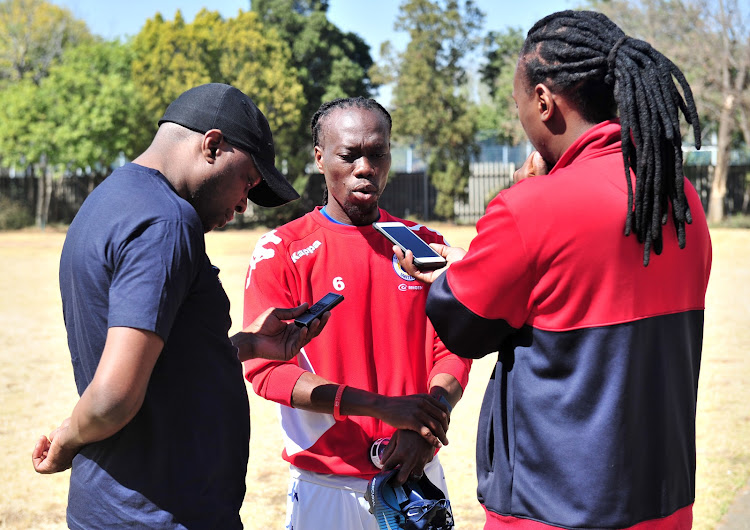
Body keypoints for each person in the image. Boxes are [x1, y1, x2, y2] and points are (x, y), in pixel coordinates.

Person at [396, 10, 712, 530]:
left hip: (554, 509)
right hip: (664, 504)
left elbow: (463, 325)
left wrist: (520, 200)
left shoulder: (532, 208)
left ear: (543, 101)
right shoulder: (681, 200)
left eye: (518, 104)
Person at [31, 83, 330, 529]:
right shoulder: (166, 223)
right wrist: (68, 439)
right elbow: (114, 396)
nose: (244, 205)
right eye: (247, 181)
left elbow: (162, 361)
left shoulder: (111, 199)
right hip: (157, 512)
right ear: (211, 146)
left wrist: (247, 345)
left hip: (127, 504)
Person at [242, 96, 472, 530]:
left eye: (377, 153)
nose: (365, 167)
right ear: (320, 157)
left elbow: (454, 347)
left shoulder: (424, 244)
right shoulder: (283, 250)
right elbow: (267, 371)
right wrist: (381, 408)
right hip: (327, 486)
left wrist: (427, 421)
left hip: (417, 475)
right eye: (349, 155)